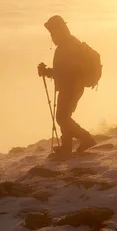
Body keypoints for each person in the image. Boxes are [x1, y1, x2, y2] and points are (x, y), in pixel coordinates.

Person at [38, 15, 97, 156]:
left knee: (62, 118)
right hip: (72, 86)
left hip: (71, 86)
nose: (52, 35)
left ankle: (86, 139)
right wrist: (48, 72)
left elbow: (65, 71)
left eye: (53, 32)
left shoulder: (67, 46)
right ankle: (66, 147)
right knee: (64, 116)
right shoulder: (70, 43)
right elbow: (64, 71)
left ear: (60, 30)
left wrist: (47, 72)